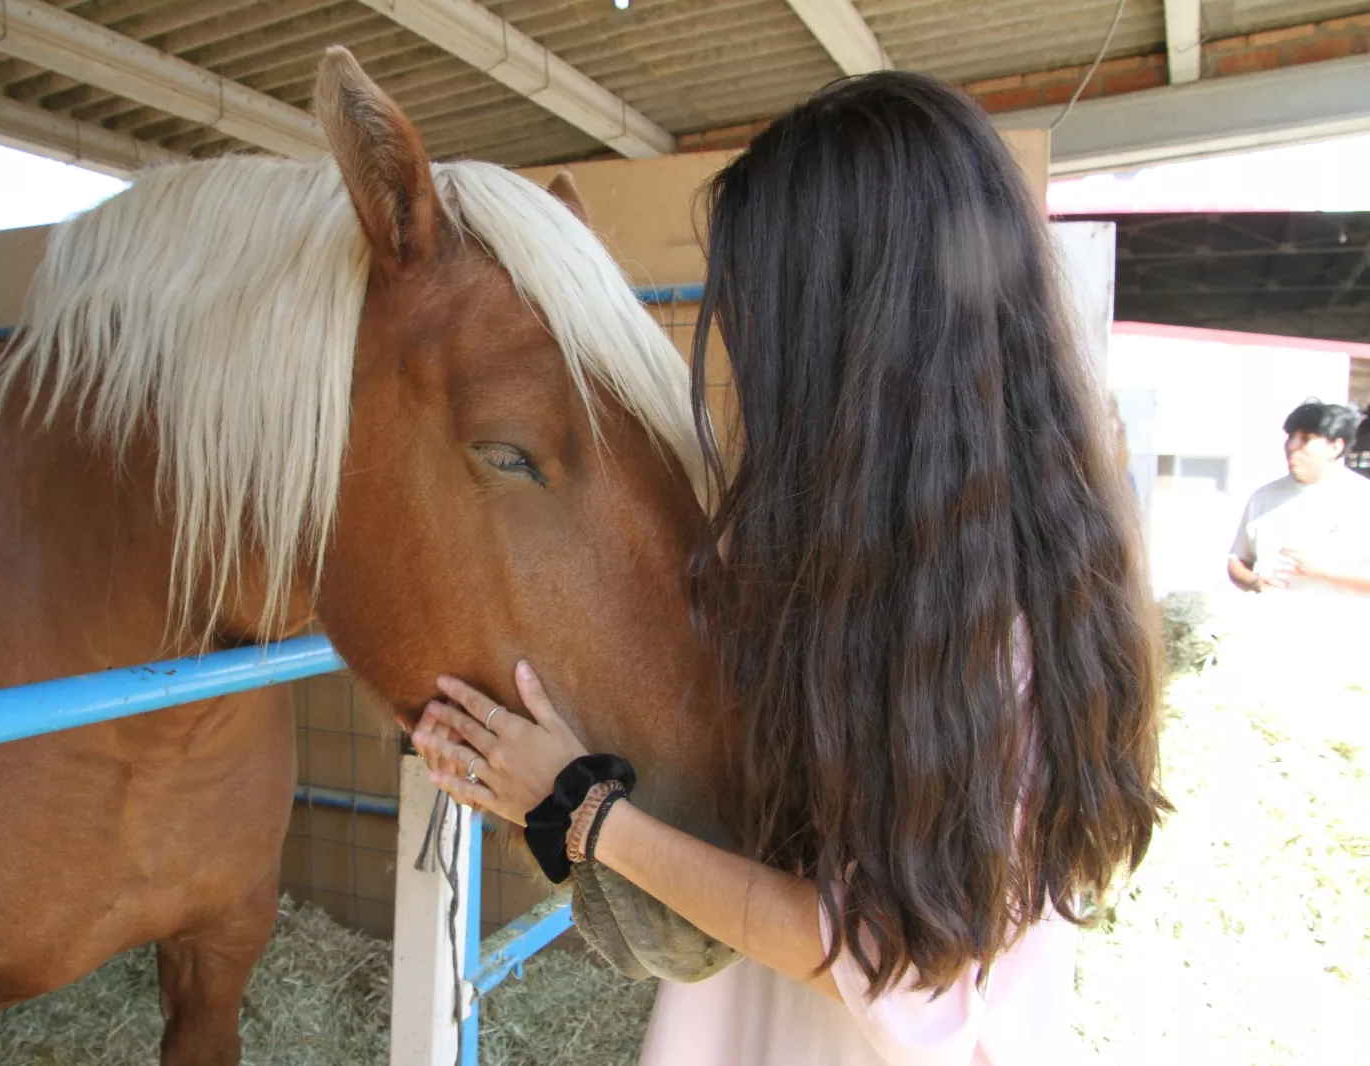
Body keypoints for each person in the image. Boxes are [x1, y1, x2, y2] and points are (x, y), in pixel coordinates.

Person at [412, 71, 1165, 1066]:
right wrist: (541, 786)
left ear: (851, 334)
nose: (744, 345)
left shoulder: (996, 637)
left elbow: (895, 965)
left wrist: (585, 813)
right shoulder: (868, 567)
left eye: (763, 309)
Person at [1228, 400, 1370, 600]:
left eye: (1305, 439)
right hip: (1272, 617)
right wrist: (1254, 582)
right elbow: (1237, 561)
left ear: (1335, 446)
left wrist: (1324, 574)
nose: (1292, 446)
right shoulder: (1264, 496)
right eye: (1291, 437)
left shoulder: (1362, 497)